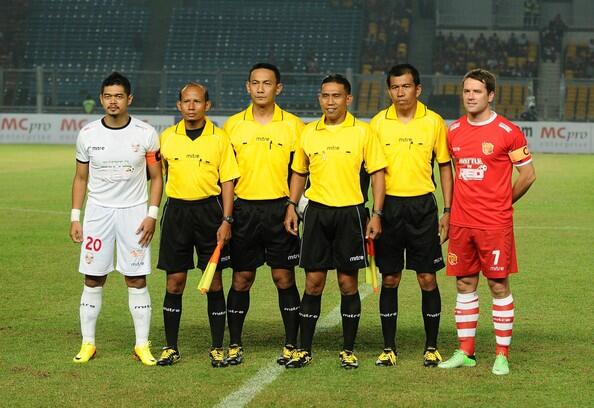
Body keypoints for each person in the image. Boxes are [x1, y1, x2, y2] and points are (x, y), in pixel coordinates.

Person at [284, 74, 386, 369]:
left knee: (347, 283)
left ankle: (348, 349)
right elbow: (299, 173)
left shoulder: (363, 132)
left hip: (351, 213)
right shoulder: (309, 132)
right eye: (326, 96)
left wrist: (376, 214)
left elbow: (377, 174)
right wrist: (292, 205)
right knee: (313, 283)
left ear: (348, 99)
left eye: (337, 96)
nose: (330, 101)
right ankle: (304, 348)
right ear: (320, 98)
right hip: (316, 213)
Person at [439, 69, 536, 375]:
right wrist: (451, 210)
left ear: (490, 95)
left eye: (477, 92)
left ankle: (501, 354)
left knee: (497, 284)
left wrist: (502, 203)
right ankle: (465, 352)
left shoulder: (508, 131)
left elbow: (528, 175)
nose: (470, 96)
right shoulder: (453, 131)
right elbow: (454, 175)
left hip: (494, 225)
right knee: (465, 283)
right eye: (466, 91)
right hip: (462, 223)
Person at [70, 72, 163, 365]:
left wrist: (152, 215)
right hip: (98, 215)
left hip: (134, 214)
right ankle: (88, 343)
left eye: (119, 96)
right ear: (101, 99)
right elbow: (80, 177)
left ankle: (141, 345)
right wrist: (75, 217)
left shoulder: (146, 134)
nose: (113, 101)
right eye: (108, 96)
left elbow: (157, 177)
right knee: (93, 277)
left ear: (129, 99)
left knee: (136, 278)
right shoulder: (87, 135)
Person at [369, 64, 453, 368]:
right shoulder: (378, 123)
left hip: (422, 209)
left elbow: (445, 166)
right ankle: (388, 348)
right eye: (394, 87)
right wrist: (373, 213)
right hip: (389, 209)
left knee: (427, 278)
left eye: (406, 86)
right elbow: (372, 171)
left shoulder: (434, 122)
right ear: (389, 90)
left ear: (418, 89)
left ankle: (431, 347)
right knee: (389, 279)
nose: (400, 92)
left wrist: (447, 210)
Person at [223, 63, 304, 365]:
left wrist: (292, 205)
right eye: (255, 83)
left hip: (280, 209)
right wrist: (228, 216)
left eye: (266, 83)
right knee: (242, 278)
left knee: (283, 277)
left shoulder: (294, 125)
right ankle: (234, 342)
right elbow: (226, 176)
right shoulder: (232, 125)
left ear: (278, 88)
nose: (260, 88)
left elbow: (300, 170)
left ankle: (291, 342)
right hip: (244, 210)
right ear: (247, 87)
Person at [156, 82, 240, 368]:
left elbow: (228, 181)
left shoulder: (219, 138)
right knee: (174, 282)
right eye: (186, 102)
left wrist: (227, 220)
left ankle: (217, 346)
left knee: (214, 281)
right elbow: (156, 177)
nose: (191, 107)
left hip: (210, 212)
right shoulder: (166, 137)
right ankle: (170, 347)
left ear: (208, 105)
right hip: (176, 213)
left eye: (197, 101)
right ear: (178, 106)